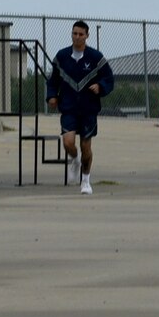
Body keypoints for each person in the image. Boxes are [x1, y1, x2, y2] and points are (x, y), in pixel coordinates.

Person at [45, 20, 116, 195]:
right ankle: (74, 160)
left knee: (86, 146)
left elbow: (109, 78)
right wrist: (52, 96)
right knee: (68, 143)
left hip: (88, 108)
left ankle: (85, 180)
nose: (77, 37)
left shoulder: (95, 57)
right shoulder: (62, 56)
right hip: (68, 106)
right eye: (74, 33)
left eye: (81, 34)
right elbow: (53, 80)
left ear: (87, 36)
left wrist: (100, 86)